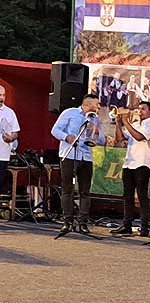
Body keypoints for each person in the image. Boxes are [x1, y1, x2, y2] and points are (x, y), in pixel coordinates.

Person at [51, 93, 106, 233]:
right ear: (88, 104)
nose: (99, 107)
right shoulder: (70, 113)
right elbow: (55, 130)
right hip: (69, 155)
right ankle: (67, 221)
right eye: (97, 104)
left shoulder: (95, 119)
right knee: (67, 189)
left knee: (85, 191)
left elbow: (102, 140)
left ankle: (83, 223)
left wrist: (97, 133)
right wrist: (66, 137)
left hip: (86, 157)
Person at [111, 101, 150, 236]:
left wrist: (126, 122)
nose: (140, 111)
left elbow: (139, 137)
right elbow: (120, 139)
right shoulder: (135, 124)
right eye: (139, 109)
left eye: (143, 109)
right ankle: (127, 224)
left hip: (142, 164)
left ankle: (144, 227)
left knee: (142, 196)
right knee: (128, 196)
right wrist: (119, 123)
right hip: (129, 163)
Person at [0, 86, 21, 198]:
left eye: (3, 95)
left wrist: (11, 138)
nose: (1, 98)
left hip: (2, 154)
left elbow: (15, 132)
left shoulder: (9, 112)